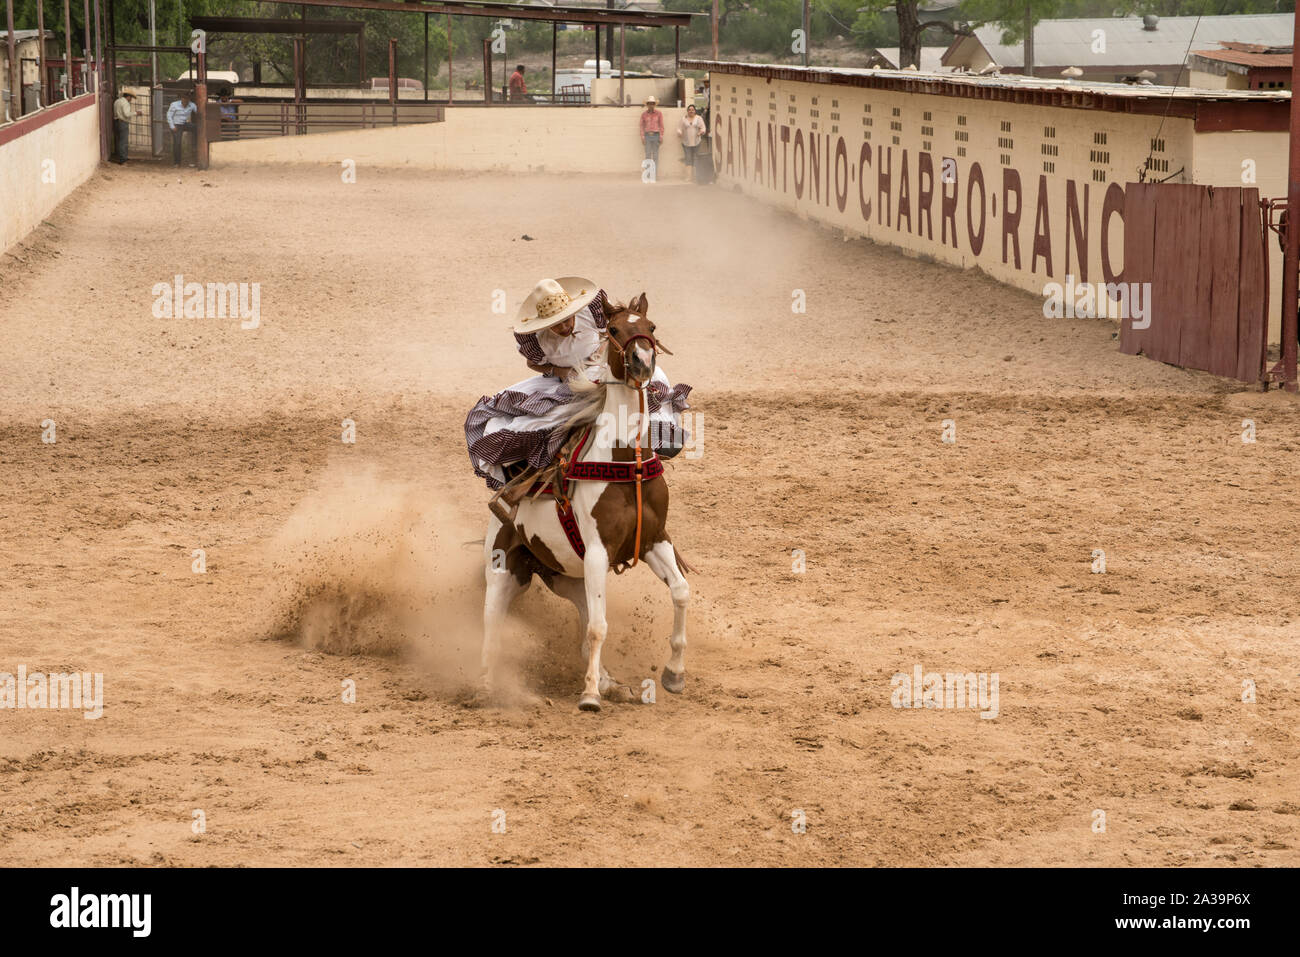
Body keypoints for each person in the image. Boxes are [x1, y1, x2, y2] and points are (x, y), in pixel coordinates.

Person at [465, 277, 692, 522]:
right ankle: (537, 476)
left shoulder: (591, 310)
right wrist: (556, 371)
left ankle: (659, 444)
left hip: (604, 368)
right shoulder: (534, 339)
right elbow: (534, 362)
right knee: (535, 422)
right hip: (570, 381)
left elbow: (619, 325)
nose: (564, 327)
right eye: (556, 325)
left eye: (566, 319)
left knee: (651, 385)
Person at [167, 92, 199, 167]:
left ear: (189, 99)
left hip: (184, 124)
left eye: (187, 98)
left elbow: (198, 112)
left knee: (197, 128)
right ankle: (177, 162)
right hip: (176, 124)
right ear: (181, 98)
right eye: (184, 98)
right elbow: (169, 115)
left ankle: (195, 150)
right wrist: (172, 126)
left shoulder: (191, 105)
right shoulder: (174, 105)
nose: (185, 100)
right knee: (177, 143)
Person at [677, 104, 706, 181]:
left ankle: (696, 176)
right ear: (687, 111)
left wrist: (700, 132)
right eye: (689, 110)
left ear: (695, 111)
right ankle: (689, 177)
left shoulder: (698, 118)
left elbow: (703, 128)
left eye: (692, 110)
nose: (691, 111)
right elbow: (679, 128)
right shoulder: (684, 119)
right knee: (688, 158)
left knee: (696, 158)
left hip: (696, 142)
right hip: (686, 142)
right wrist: (679, 133)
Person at [639, 95, 664, 180]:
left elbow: (661, 125)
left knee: (656, 156)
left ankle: (655, 175)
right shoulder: (644, 115)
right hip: (647, 136)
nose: (651, 105)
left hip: (656, 135)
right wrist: (642, 137)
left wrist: (661, 136)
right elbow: (641, 126)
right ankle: (648, 174)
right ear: (647, 104)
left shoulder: (659, 114)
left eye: (652, 103)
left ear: (654, 104)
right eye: (649, 103)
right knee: (648, 155)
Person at [111, 91, 134, 164]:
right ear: (128, 96)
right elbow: (127, 114)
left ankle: (121, 156)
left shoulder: (117, 101)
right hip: (123, 122)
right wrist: (136, 113)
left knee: (119, 140)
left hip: (116, 121)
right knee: (123, 141)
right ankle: (122, 158)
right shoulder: (125, 103)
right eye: (131, 98)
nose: (131, 99)